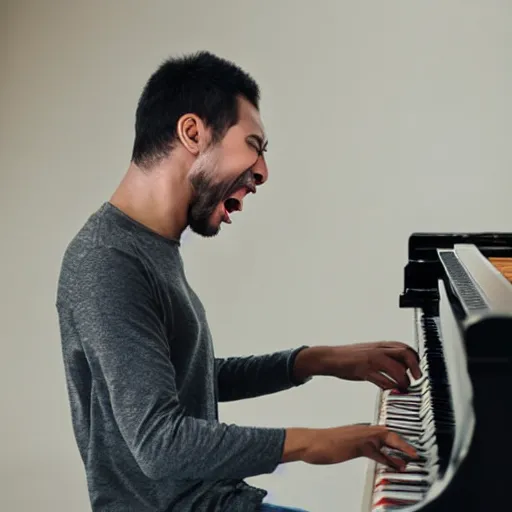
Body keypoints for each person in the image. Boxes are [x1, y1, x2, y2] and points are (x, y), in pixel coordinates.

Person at [56, 51, 421, 512]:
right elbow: (159, 442)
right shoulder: (107, 261)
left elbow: (188, 380)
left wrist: (316, 360)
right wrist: (314, 443)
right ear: (192, 132)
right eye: (254, 144)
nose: (263, 171)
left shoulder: (147, 248)